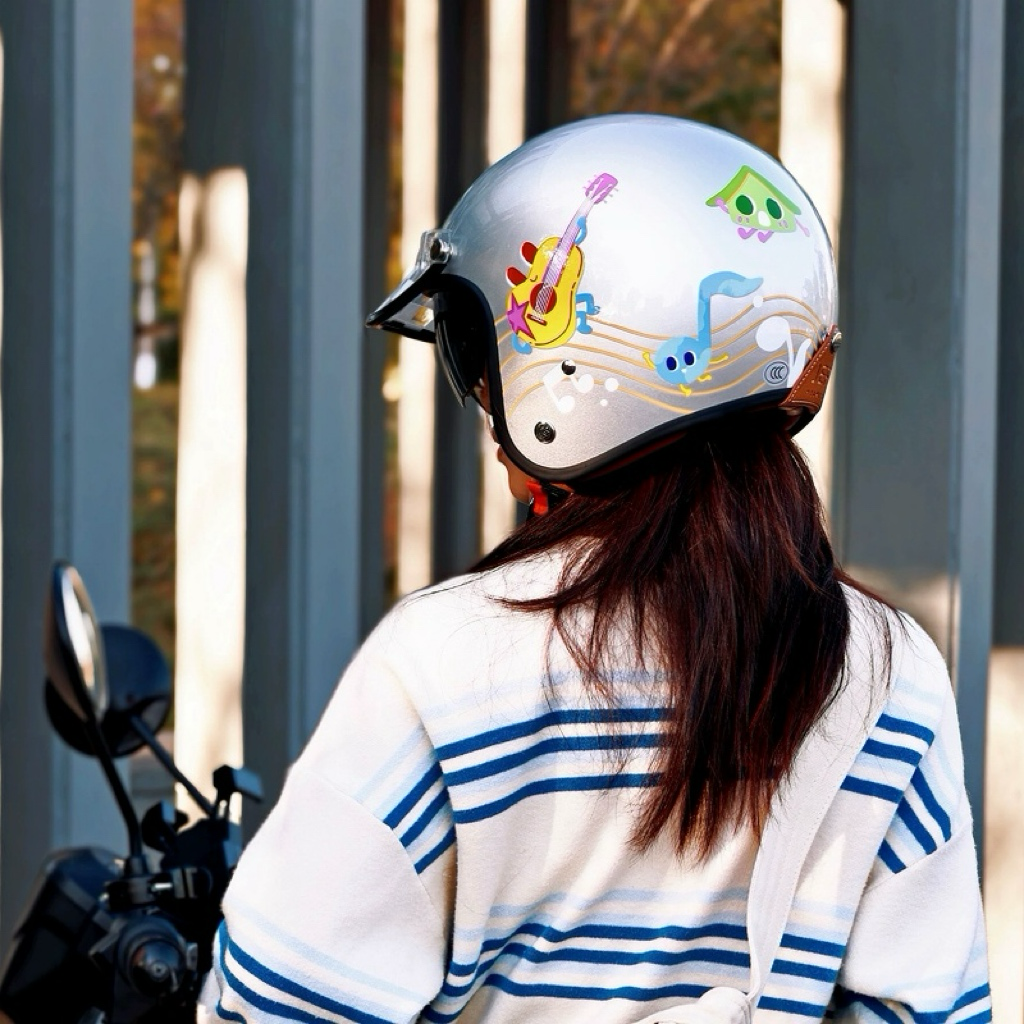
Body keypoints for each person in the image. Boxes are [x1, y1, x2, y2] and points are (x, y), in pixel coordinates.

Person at [198, 115, 990, 1023]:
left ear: (567, 372)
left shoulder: (446, 663)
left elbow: (278, 1005)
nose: (486, 405)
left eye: (486, 362)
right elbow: (927, 1007)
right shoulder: (889, 670)